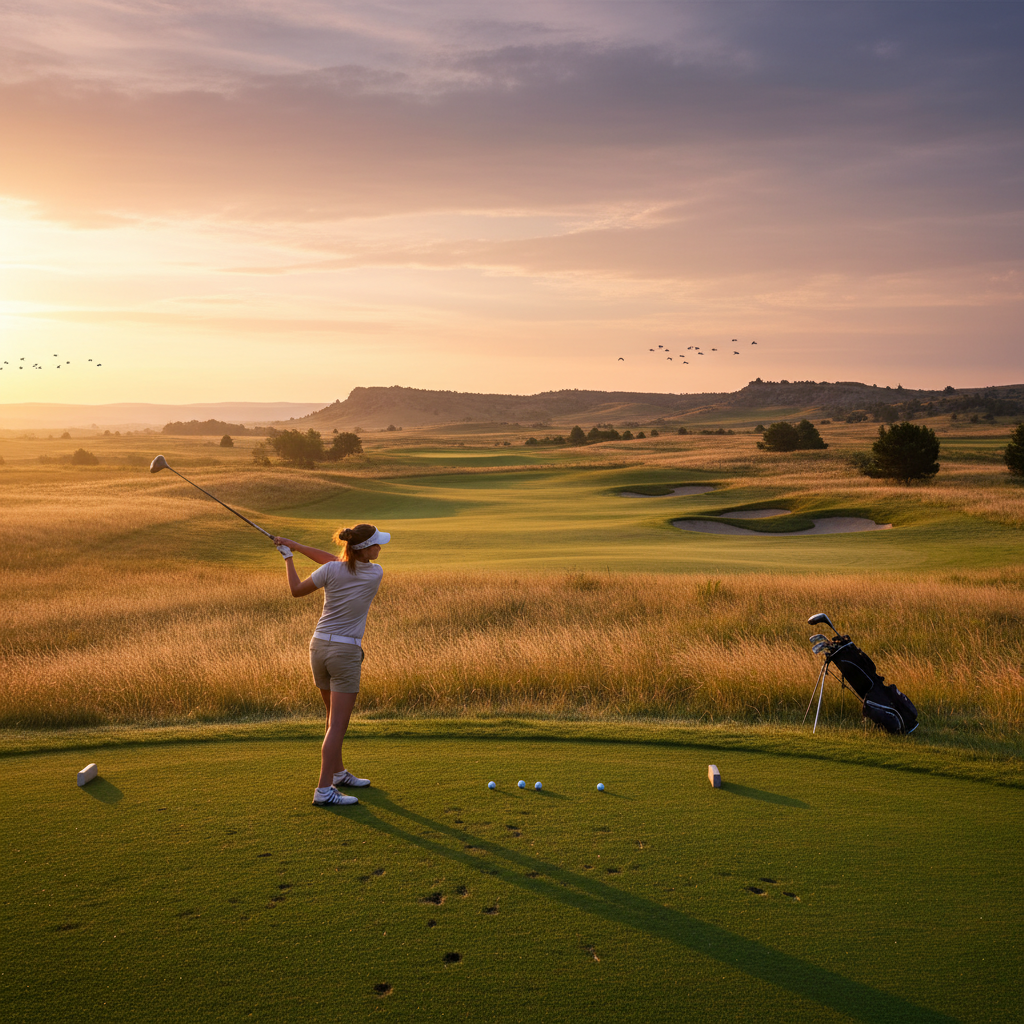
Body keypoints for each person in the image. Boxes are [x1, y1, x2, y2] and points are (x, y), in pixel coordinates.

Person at [271, 524, 390, 807]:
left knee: (331, 717)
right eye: (376, 545)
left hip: (318, 647)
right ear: (364, 550)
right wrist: (295, 548)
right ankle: (324, 789)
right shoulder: (375, 572)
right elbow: (335, 562)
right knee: (338, 725)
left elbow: (297, 590)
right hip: (344, 652)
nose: (380, 549)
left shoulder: (332, 571)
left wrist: (290, 554)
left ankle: (338, 773)